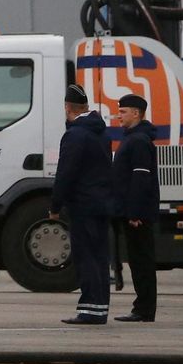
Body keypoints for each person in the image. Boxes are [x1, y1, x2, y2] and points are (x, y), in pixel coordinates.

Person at [50, 83, 115, 325]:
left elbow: (65, 173)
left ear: (68, 108)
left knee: (85, 256)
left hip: (83, 206)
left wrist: (55, 205)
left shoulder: (75, 135)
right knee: (99, 257)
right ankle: (99, 309)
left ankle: (89, 310)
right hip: (101, 204)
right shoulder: (102, 133)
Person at [111, 92, 160, 323]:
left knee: (142, 262)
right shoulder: (134, 138)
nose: (118, 115)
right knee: (140, 260)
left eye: (123, 112)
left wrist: (135, 212)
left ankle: (144, 309)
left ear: (136, 113)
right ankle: (142, 307)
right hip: (134, 211)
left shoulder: (138, 141)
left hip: (137, 214)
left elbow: (140, 179)